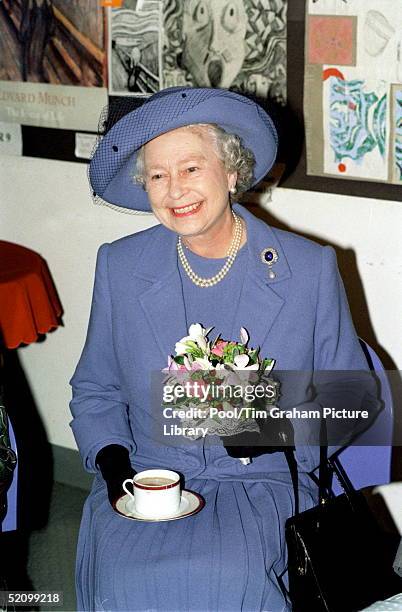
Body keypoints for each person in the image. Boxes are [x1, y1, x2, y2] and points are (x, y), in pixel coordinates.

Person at [69, 87, 379, 611]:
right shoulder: (119, 265)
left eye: (190, 168)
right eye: (158, 175)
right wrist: (116, 468)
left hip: (262, 481)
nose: (174, 190)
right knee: (126, 576)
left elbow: (353, 401)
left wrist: (262, 431)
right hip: (149, 475)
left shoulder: (307, 269)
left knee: (231, 576)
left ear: (231, 172)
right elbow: (94, 389)